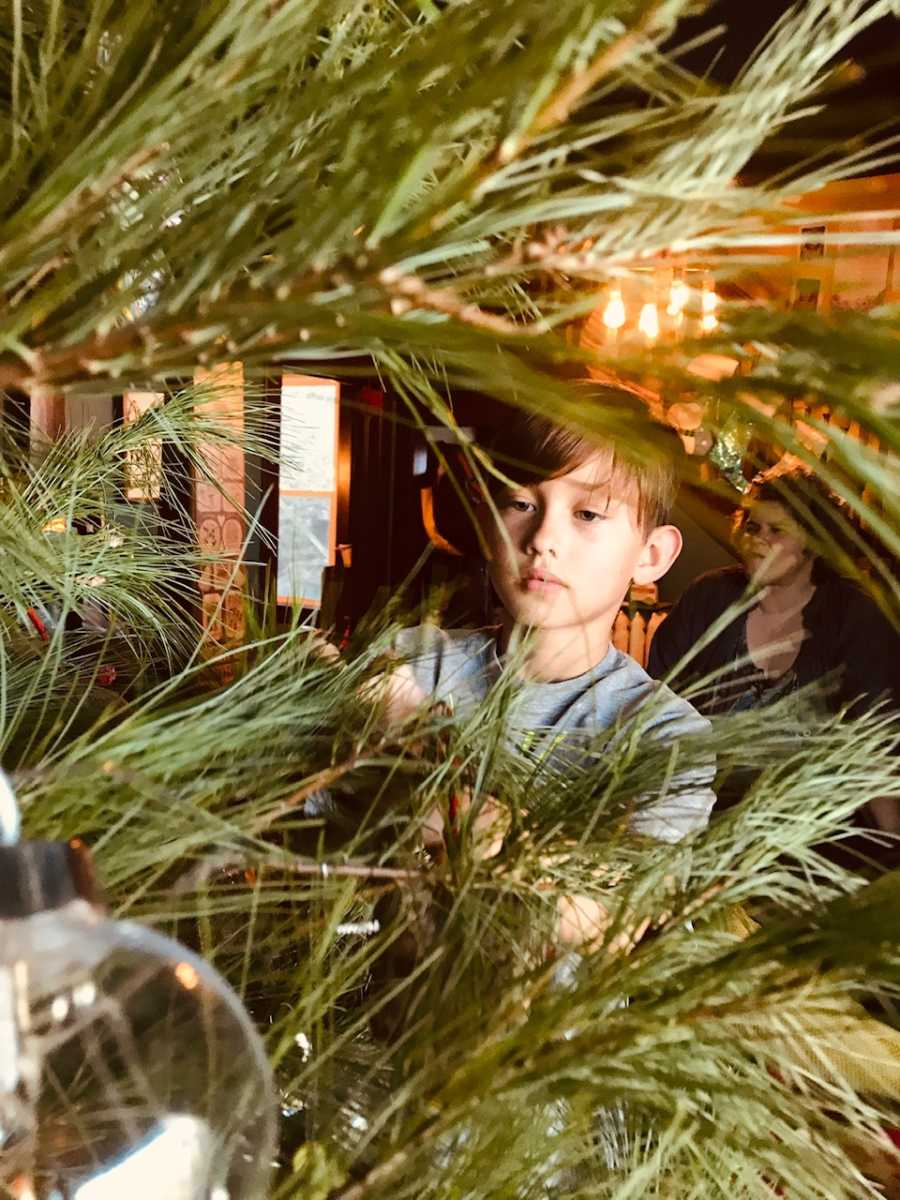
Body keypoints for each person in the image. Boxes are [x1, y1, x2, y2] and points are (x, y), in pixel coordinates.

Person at [376, 386, 716, 874]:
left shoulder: (662, 737)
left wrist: (452, 809)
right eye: (520, 504)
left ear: (652, 555)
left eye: (587, 514)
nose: (542, 540)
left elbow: (613, 917)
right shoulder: (411, 663)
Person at [648, 463, 900, 835]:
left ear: (814, 541)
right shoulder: (709, 597)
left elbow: (875, 742)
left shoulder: (852, 615)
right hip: (698, 815)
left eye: (776, 531)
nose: (757, 539)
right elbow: (654, 701)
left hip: (806, 834)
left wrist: (893, 839)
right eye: (752, 527)